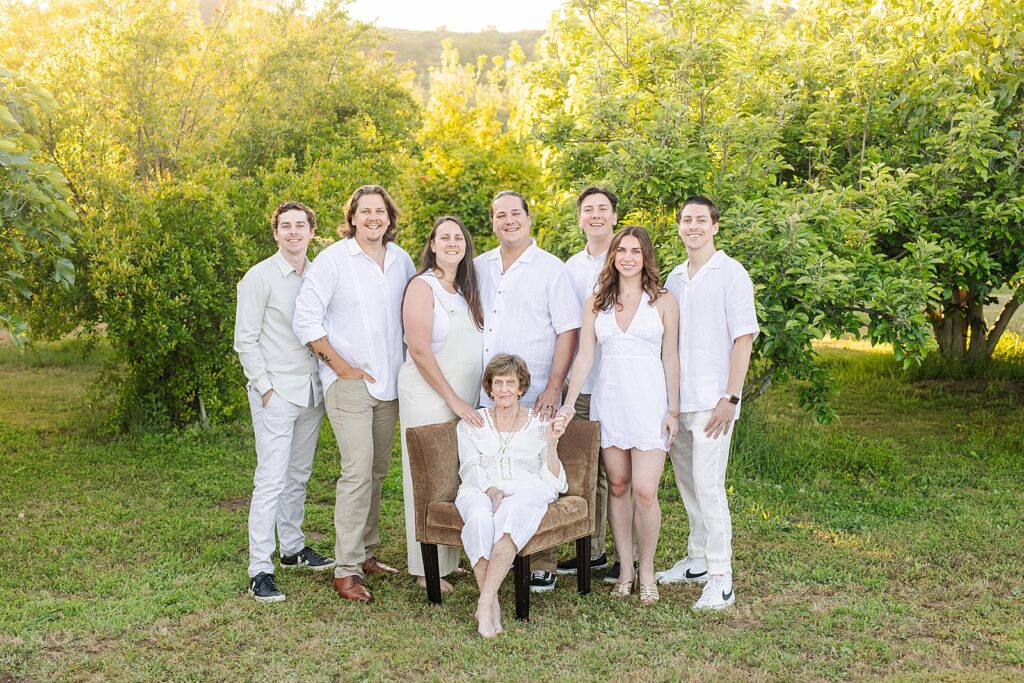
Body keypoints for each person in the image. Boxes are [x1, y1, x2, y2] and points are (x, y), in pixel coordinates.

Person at [292, 185, 416, 603]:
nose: (373, 218)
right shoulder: (333, 260)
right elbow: (306, 319)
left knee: (377, 472)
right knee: (357, 471)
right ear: (352, 218)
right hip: (349, 385)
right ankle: (344, 571)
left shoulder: (401, 260)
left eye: (380, 211)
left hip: (390, 383)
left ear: (389, 217)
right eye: (365, 212)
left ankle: (366, 553)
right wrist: (342, 368)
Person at [561, 226, 679, 605]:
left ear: (646, 257)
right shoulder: (597, 301)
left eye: (636, 251)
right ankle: (625, 568)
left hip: (649, 405)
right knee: (618, 486)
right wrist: (568, 402)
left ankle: (647, 571)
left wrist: (672, 409)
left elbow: (671, 358)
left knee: (646, 491)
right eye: (622, 250)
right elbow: (584, 357)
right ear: (613, 255)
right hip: (610, 403)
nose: (628, 257)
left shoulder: (663, 301)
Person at [475, 189, 582, 592]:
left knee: (537, 468)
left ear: (529, 216)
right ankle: (493, 548)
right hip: (489, 387)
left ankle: (541, 559)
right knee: (494, 463)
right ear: (492, 222)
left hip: (534, 389)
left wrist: (554, 385)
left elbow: (568, 330)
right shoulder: (479, 266)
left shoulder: (552, 269)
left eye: (515, 213)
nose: (509, 221)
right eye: (500, 215)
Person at [656, 195, 759, 611]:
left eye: (701, 220)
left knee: (710, 487)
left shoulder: (731, 273)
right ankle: (697, 560)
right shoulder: (674, 277)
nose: (693, 226)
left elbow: (744, 338)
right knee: (687, 484)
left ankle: (721, 577)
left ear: (715, 226)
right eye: (686, 220)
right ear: (679, 227)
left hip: (714, 403)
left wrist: (730, 397)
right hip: (679, 403)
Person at [234, 201, 334, 603]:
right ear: (275, 233)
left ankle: (292, 548)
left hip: (312, 390)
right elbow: (245, 339)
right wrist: (264, 388)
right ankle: (260, 567)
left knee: (299, 475)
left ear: (312, 232)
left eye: (301, 226)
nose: (293, 232)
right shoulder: (259, 278)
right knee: (271, 479)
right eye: (285, 226)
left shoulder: (320, 275)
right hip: (276, 393)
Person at [398, 216, 485, 593]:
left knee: (454, 476)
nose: (452, 243)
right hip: (429, 395)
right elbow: (418, 350)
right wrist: (454, 400)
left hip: (463, 398)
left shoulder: (465, 289)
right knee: (425, 478)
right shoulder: (422, 286)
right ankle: (424, 568)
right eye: (444, 237)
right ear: (431, 245)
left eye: (458, 238)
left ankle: (447, 557)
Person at [456, 354, 569, 637]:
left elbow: (555, 481)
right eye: (498, 383)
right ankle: (491, 604)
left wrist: (552, 445)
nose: (504, 389)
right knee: (479, 517)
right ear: (490, 389)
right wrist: (491, 490)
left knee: (512, 513)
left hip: (527, 487)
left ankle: (483, 604)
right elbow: (469, 465)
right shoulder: (472, 422)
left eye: (510, 383)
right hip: (480, 486)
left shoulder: (540, 423)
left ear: (521, 388)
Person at [557, 186, 618, 581]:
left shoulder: (630, 256)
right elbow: (567, 329)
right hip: (582, 384)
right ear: (580, 219)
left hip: (621, 383)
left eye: (603, 209)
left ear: (614, 216)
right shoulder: (570, 268)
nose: (595, 215)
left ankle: (621, 553)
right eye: (588, 210)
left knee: (616, 471)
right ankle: (591, 549)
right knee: (582, 466)